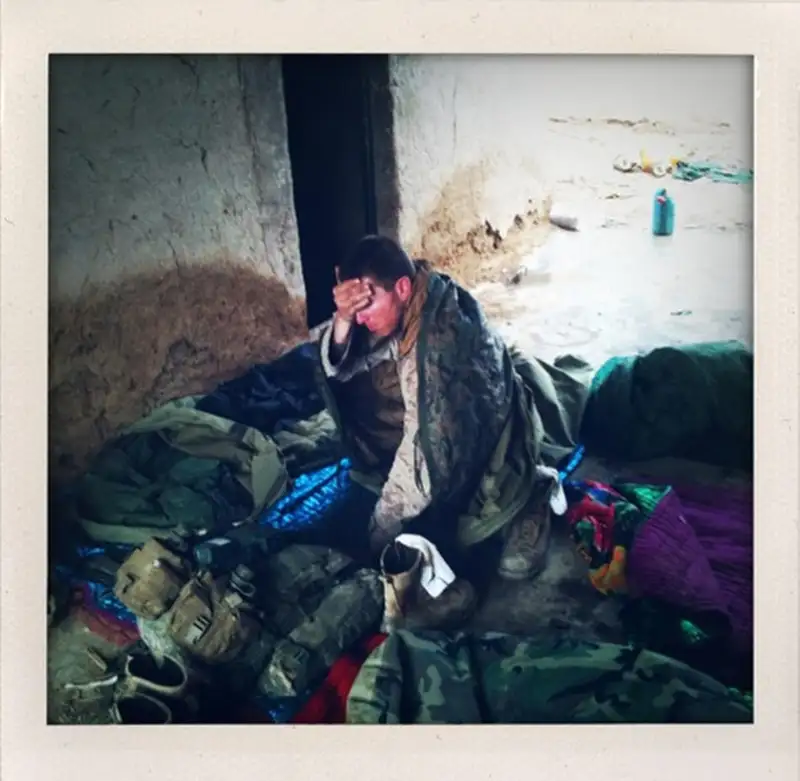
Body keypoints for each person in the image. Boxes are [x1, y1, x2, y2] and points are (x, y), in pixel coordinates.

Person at [316, 235, 590, 585]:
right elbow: (348, 369)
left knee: (488, 548)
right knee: (372, 397)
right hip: (467, 415)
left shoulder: (437, 348)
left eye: (366, 305)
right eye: (355, 309)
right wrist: (342, 319)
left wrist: (375, 542)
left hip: (498, 444)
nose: (361, 318)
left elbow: (422, 465)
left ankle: (535, 487)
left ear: (401, 288)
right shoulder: (420, 293)